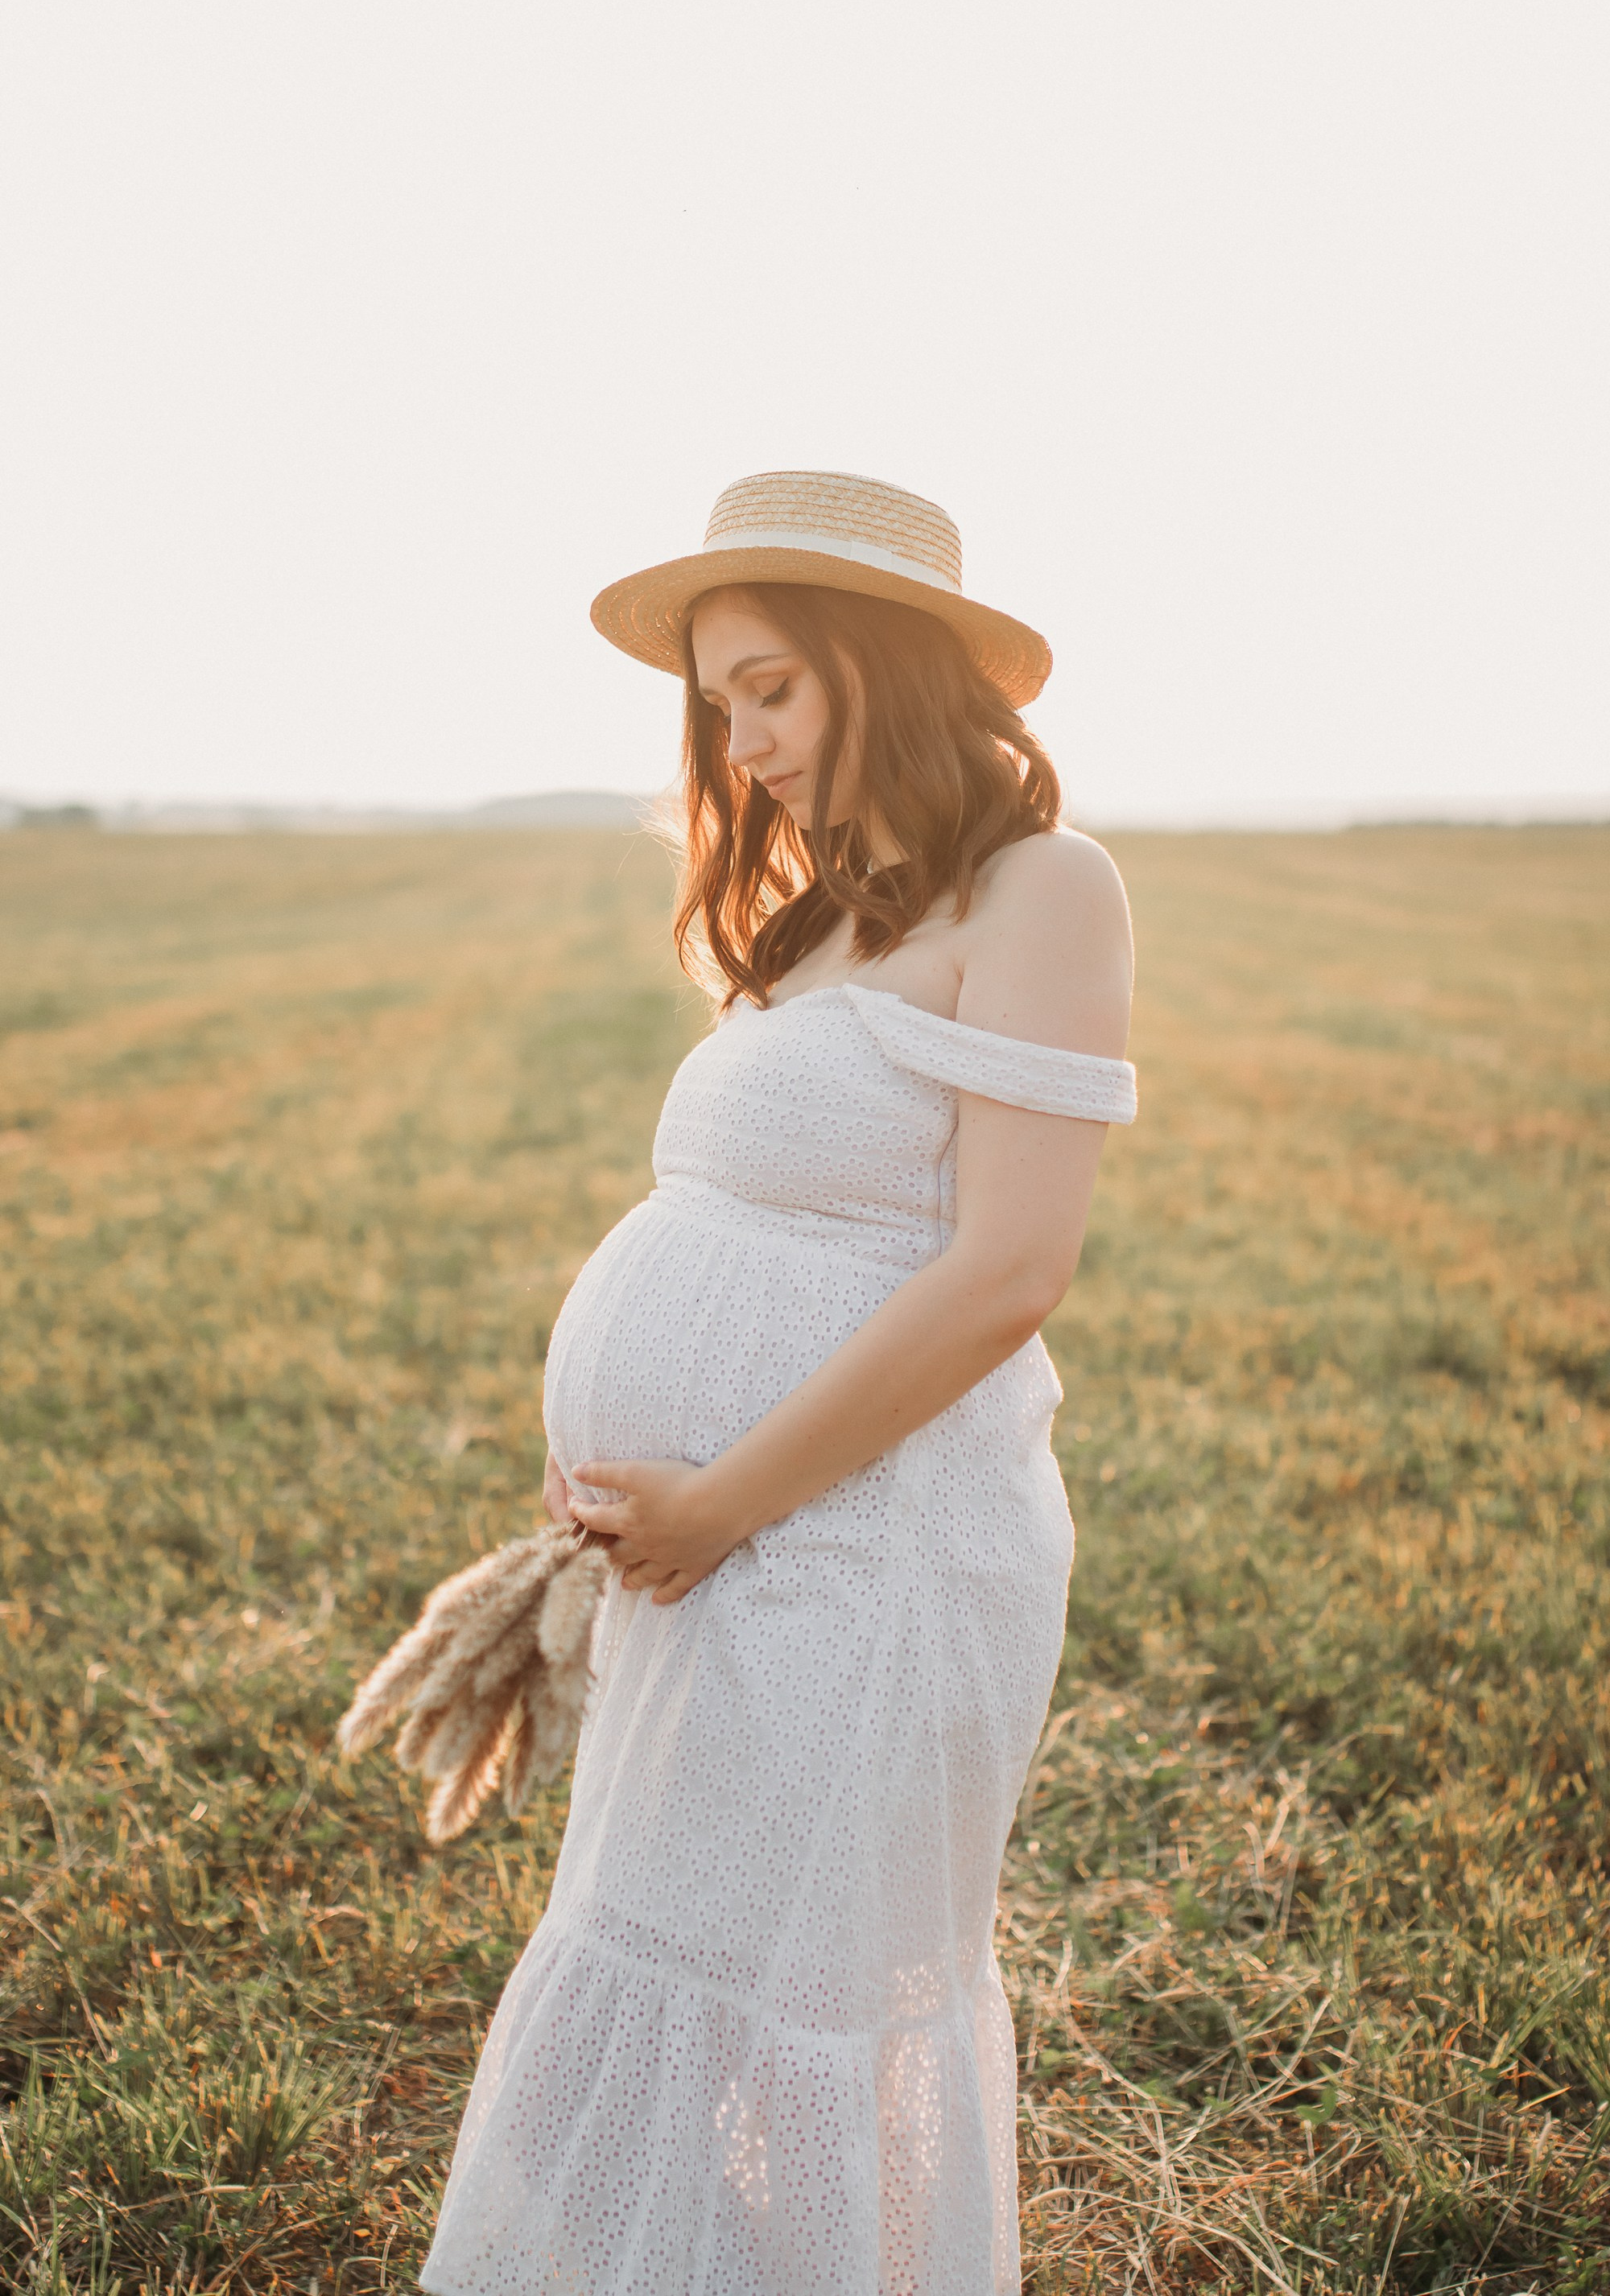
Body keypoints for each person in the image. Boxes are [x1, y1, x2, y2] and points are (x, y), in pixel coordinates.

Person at [420, 471, 1136, 2296]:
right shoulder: (825, 913)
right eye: (717, 706)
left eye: (771, 692)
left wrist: (725, 1495)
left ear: (886, 667)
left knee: (799, 1999)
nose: (738, 747)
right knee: (680, 1968)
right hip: (732, 1557)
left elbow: (1008, 1270)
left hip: (869, 1551)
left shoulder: (1046, 888)